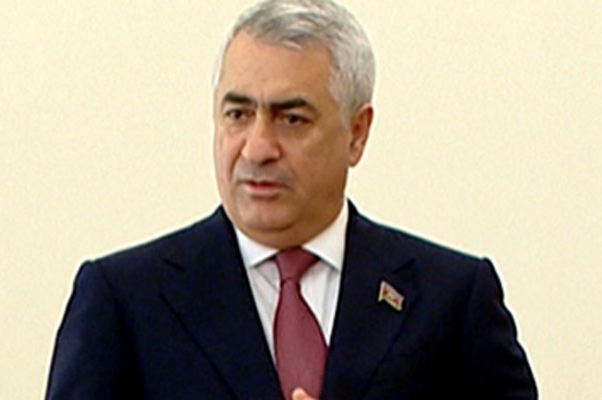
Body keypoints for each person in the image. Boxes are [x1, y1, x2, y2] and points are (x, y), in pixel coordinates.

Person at [45, 0, 537, 399]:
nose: (257, 148)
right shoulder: (126, 301)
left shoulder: (451, 299)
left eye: (291, 119)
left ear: (357, 133)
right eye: (238, 115)